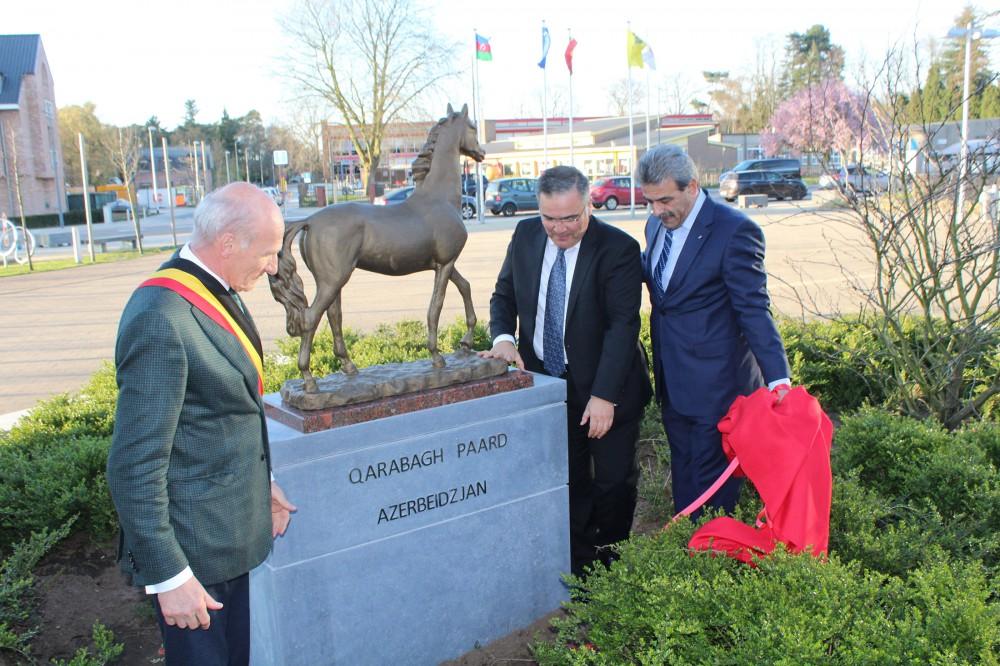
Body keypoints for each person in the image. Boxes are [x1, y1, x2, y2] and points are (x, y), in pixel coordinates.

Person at [107, 182, 296, 664]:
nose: (274, 266)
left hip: (226, 536)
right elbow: (134, 466)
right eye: (269, 252)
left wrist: (263, 483)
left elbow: (220, 413)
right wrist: (169, 577)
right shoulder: (161, 315)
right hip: (192, 560)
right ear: (228, 243)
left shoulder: (217, 289)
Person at [482, 165, 651, 576]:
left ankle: (612, 570)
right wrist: (503, 337)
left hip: (607, 387)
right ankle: (578, 567)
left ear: (589, 203)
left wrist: (604, 395)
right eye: (549, 218)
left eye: (571, 218)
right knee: (568, 480)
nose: (559, 229)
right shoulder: (525, 235)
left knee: (611, 483)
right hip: (548, 384)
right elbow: (504, 294)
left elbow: (622, 325)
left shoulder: (618, 249)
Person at [637, 144, 791, 518]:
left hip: (718, 390)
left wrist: (778, 380)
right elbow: (666, 294)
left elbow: (753, 309)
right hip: (673, 381)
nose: (657, 211)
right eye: (650, 202)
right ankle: (688, 554)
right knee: (685, 479)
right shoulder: (656, 225)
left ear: (692, 186)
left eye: (665, 200)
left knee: (710, 494)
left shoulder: (734, 231)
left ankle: (709, 562)